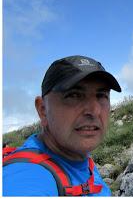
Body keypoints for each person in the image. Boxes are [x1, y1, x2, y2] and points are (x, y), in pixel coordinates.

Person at [3, 55, 121, 196]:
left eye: (101, 95)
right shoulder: (27, 177)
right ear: (42, 109)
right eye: (74, 95)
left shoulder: (79, 156)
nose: (94, 111)